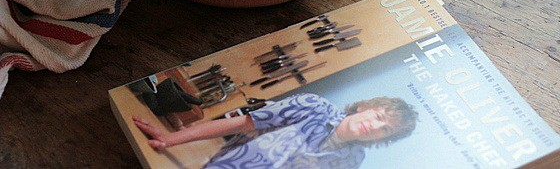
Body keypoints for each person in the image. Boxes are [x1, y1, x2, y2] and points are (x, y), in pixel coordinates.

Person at [132, 93, 418, 168]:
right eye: (379, 116)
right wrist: (171, 138)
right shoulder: (312, 105)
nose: (375, 126)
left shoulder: (353, 160)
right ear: (364, 107)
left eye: (385, 130)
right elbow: (241, 123)